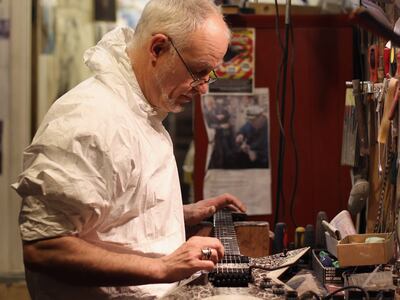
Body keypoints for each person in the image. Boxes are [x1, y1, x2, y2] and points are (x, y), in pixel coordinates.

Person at [12, 1, 246, 299]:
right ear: (158, 48)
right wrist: (163, 267)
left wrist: (178, 213)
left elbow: (113, 213)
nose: (203, 88)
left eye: (210, 75)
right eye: (199, 71)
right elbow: (44, 248)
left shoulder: (144, 108)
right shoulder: (90, 121)